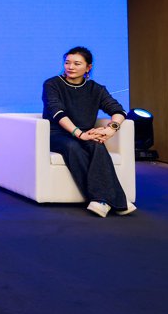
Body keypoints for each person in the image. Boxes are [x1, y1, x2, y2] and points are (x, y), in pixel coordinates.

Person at [42, 46, 135, 217]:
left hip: (87, 133)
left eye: (77, 63)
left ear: (88, 67)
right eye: (67, 62)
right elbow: (57, 112)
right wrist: (79, 133)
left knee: (97, 145)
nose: (70, 67)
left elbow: (119, 110)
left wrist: (111, 129)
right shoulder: (52, 84)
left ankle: (102, 201)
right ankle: (116, 200)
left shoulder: (96, 89)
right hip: (56, 134)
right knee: (73, 147)